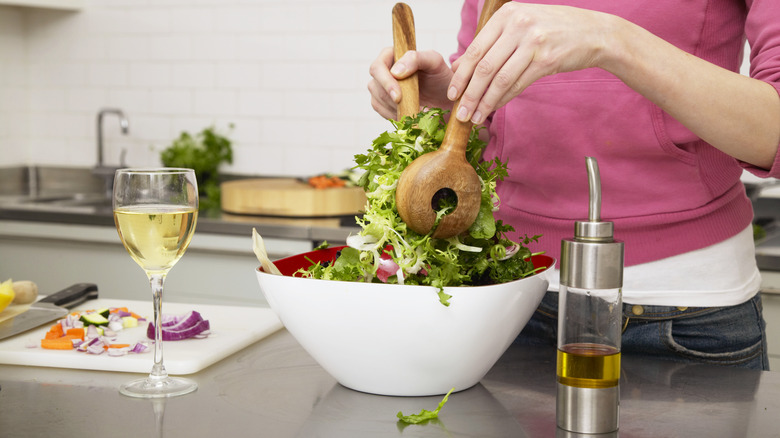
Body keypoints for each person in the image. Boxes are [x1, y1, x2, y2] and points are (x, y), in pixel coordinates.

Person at [367, 0, 780, 370]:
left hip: (683, 310)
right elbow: (489, 117)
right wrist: (449, 97)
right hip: (508, 296)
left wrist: (609, 37)